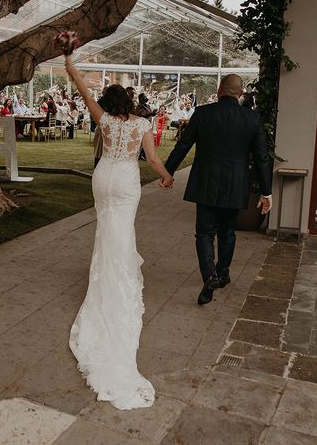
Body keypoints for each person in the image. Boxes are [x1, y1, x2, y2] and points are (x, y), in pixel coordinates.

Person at [65, 54, 174, 410]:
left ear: (109, 104)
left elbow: (82, 89)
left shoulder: (104, 121)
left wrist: (69, 62)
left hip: (104, 177)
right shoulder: (142, 125)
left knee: (106, 231)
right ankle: (120, 279)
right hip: (126, 180)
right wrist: (166, 176)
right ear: (128, 101)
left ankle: (106, 279)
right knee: (121, 231)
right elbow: (154, 160)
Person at [164, 74, 273, 306]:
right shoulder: (252, 118)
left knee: (204, 232)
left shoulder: (203, 113)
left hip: (206, 181)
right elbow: (262, 158)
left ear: (219, 89)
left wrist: (168, 172)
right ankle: (222, 274)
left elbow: (183, 144)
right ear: (240, 94)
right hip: (236, 183)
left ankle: (209, 275)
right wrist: (266, 192)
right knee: (228, 232)